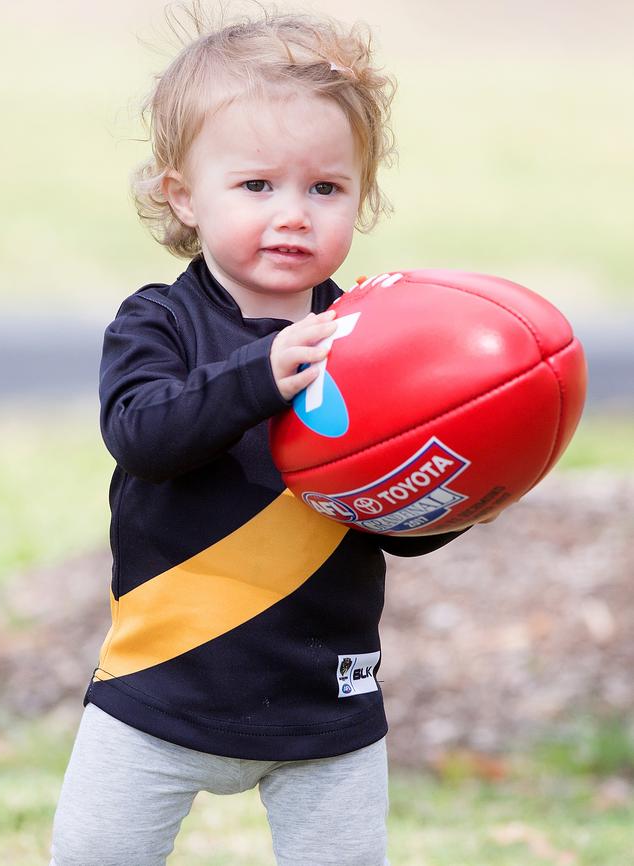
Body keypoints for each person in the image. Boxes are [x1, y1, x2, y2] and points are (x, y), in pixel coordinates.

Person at [50, 5, 471, 865]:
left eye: (326, 188)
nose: (293, 214)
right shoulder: (158, 322)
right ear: (183, 195)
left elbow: (393, 516)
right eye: (256, 186)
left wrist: (465, 482)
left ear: (363, 192)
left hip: (324, 700)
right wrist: (259, 373)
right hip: (160, 687)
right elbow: (143, 435)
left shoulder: (371, 337)